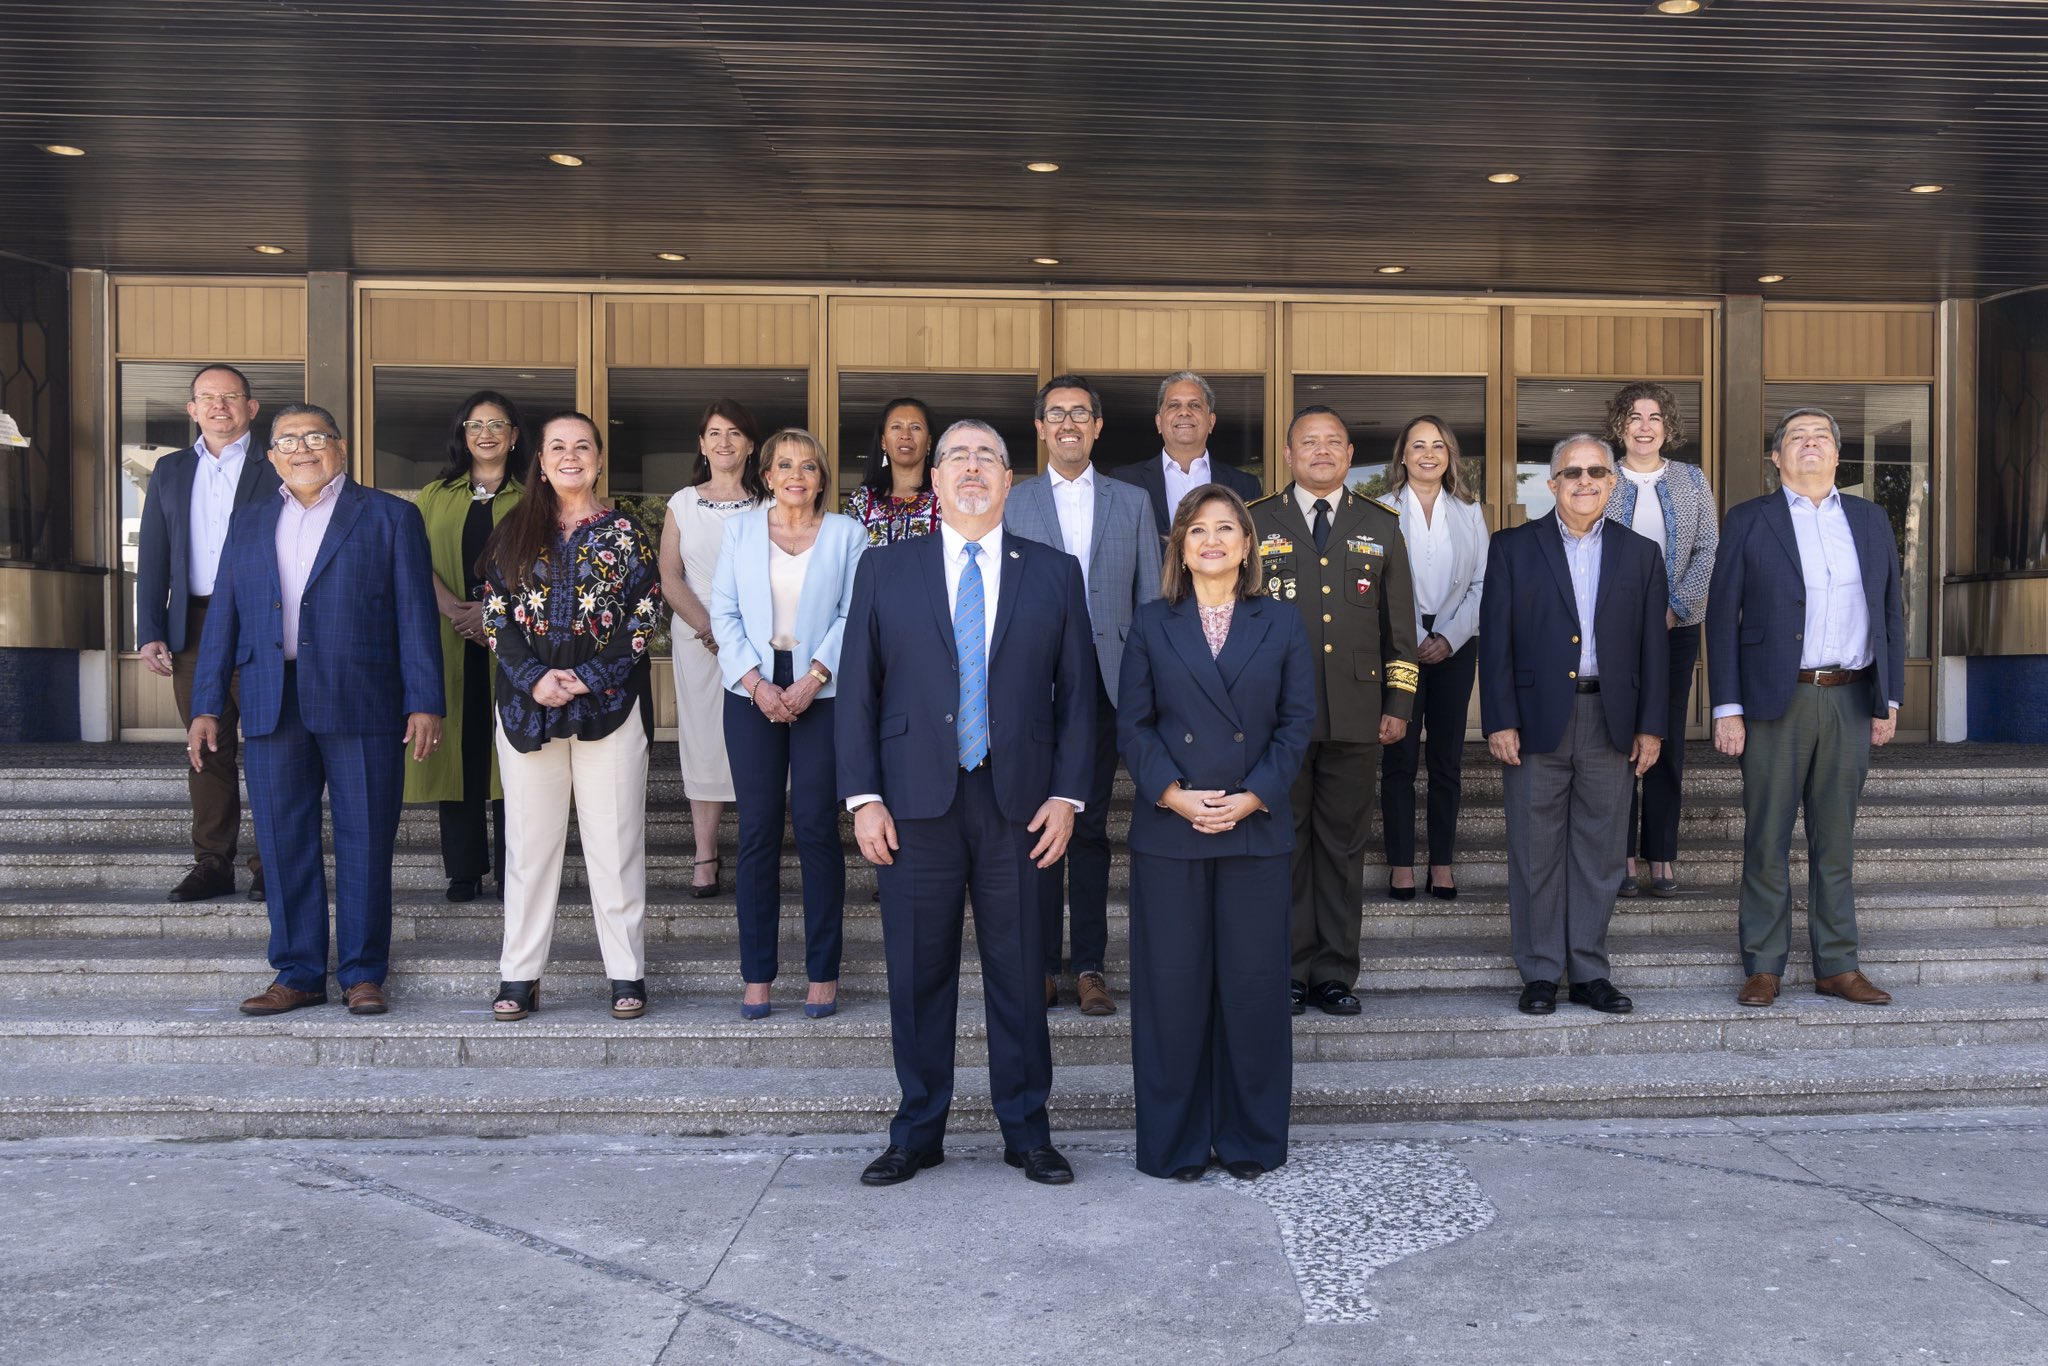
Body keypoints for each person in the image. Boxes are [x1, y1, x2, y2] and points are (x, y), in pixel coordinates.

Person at [837, 419, 1094, 1188]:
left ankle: (1026, 1131)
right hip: (914, 802)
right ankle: (917, 1131)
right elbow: (858, 692)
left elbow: (1080, 697)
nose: (972, 468)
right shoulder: (885, 568)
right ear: (935, 480)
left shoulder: (1054, 572)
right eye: (958, 458)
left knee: (1020, 972)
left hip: (1020, 803)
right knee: (918, 975)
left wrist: (1068, 796)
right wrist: (863, 798)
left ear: (1009, 481)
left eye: (987, 457)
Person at [187, 404, 442, 1017]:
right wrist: (206, 705)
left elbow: (415, 615)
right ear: (271, 455)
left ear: (341, 446)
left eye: (315, 437)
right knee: (281, 842)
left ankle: (362, 973)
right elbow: (224, 615)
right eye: (287, 441)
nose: (302, 449)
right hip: (273, 701)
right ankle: (298, 973)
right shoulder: (248, 521)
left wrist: (425, 700)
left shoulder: (390, 517)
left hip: (363, 701)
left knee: (366, 839)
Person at [1118, 485, 1315, 1182]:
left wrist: (1252, 796)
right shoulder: (1151, 622)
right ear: (1179, 545)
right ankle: (1173, 1144)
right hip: (1170, 832)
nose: (1210, 540)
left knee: (1254, 990)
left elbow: (1298, 724)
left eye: (1225, 528)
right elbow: (1133, 724)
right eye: (1197, 529)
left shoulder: (1282, 622)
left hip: (1254, 830)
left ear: (1246, 544)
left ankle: (1250, 1140)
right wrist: (1172, 794)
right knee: (1171, 991)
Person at [1708, 407, 1905, 1010]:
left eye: (1821, 437)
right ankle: (1764, 965)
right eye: (1797, 437)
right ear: (1777, 456)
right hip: (1775, 701)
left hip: (1850, 695)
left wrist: (1888, 696)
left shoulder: (1871, 521)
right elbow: (1722, 618)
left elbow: (1892, 610)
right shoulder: (1748, 520)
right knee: (1767, 836)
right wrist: (1727, 708)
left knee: (1835, 840)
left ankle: (1837, 965)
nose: (1810, 445)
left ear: (1837, 455)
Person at [480, 413, 662, 1023]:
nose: (570, 455)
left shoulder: (626, 533)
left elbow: (645, 616)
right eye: (557, 446)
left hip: (610, 708)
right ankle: (520, 975)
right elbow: (495, 616)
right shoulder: (513, 529)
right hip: (527, 712)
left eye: (582, 446)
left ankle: (626, 974)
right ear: (539, 459)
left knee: (615, 846)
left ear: (599, 458)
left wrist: (586, 677)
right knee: (529, 849)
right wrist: (536, 679)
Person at [1480, 435, 1668, 1018]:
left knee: (1603, 851)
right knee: (1534, 851)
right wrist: (1500, 719)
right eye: (1572, 472)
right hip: (1536, 721)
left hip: (1612, 719)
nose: (1585, 481)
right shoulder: (1512, 548)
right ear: (1552, 483)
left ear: (1612, 482)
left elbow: (1654, 650)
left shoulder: (1641, 554)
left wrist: (1652, 726)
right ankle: (1539, 971)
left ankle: (1587, 970)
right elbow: (1496, 641)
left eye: (1596, 472)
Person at [1247, 406, 1416, 1018]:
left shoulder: (1382, 524)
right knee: (1283, 844)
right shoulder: (1255, 521)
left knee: (1343, 849)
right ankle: (1289, 970)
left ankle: (1335, 973)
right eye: (1308, 443)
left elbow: (1401, 629)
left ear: (1350, 457)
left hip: (1356, 714)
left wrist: (1398, 703)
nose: (1321, 452)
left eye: (1333, 443)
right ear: (1288, 455)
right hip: (1275, 718)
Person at [1003, 373, 1162, 1015]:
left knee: (1091, 827)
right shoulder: (1012, 501)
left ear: (1097, 428)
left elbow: (1151, 602)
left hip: (1107, 682)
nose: (1068, 424)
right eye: (1056, 414)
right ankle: (1040, 963)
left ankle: (1090, 966)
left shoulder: (1131, 502)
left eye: (1080, 415)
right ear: (1039, 428)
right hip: (1028, 685)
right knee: (1036, 823)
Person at [711, 429, 865, 1020]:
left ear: (822, 478)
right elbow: (722, 612)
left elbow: (856, 611)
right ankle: (757, 975)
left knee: (817, 829)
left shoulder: (849, 534)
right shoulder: (741, 531)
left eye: (808, 466)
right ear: (767, 475)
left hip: (823, 691)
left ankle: (822, 973)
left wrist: (812, 679)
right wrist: (757, 683)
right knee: (756, 833)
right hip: (750, 690)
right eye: (783, 465)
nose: (796, 474)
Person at [136, 364, 279, 903]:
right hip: (194, 625)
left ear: (251, 408)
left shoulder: (277, 463)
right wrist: (150, 627)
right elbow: (153, 553)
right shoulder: (171, 470)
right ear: (192, 410)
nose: (219, 406)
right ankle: (212, 863)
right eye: (207, 398)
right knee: (206, 745)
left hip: (264, 622)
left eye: (231, 396)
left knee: (271, 743)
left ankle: (273, 863)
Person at [403, 390, 527, 903]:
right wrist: (455, 609)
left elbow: (547, 565)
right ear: (462, 435)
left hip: (517, 641)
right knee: (460, 747)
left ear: (515, 436)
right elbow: (411, 560)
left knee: (510, 749)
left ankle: (514, 870)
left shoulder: (534, 495)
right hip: (447, 636)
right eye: (475, 425)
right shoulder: (436, 495)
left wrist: (492, 614)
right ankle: (464, 869)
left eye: (497, 424)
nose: (486, 434)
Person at [1602, 382, 1719, 898]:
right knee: (1620, 738)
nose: (1644, 426)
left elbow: (1708, 549)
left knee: (1666, 739)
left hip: (1676, 628)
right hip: (1613, 631)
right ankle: (1621, 852)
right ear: (1620, 425)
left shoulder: (1691, 480)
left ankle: (1662, 854)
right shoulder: (1599, 476)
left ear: (1668, 426)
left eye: (1654, 417)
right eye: (1634, 416)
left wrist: (1676, 609)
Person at [659, 399, 766, 900]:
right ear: (702, 445)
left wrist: (738, 631)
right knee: (703, 741)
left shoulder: (769, 501)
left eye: (734, 433)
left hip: (759, 637)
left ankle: (756, 852)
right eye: (714, 433)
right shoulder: (682, 502)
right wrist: (709, 626)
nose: (724, 442)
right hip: (698, 636)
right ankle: (705, 853)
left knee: (755, 741)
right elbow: (668, 574)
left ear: (749, 444)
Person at [1380, 416, 1488, 901]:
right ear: (1402, 454)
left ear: (1450, 456)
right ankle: (1402, 865)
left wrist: (1448, 636)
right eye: (1417, 445)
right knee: (1398, 760)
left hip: (1455, 647)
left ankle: (1440, 864)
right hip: (1396, 647)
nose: (1428, 453)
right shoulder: (1378, 510)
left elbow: (1484, 585)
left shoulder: (1470, 511)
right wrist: (1406, 638)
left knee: (1446, 761)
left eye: (1438, 445)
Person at [1112, 372, 1263, 534]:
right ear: (1159, 422)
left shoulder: (1246, 486)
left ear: (1211, 422)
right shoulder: (1123, 482)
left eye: (1195, 405)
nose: (1184, 412)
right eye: (1174, 405)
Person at [844, 397, 941, 546]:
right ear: (883, 442)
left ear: (929, 442)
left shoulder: (945, 498)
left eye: (915, 427)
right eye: (896, 427)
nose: (905, 435)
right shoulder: (862, 500)